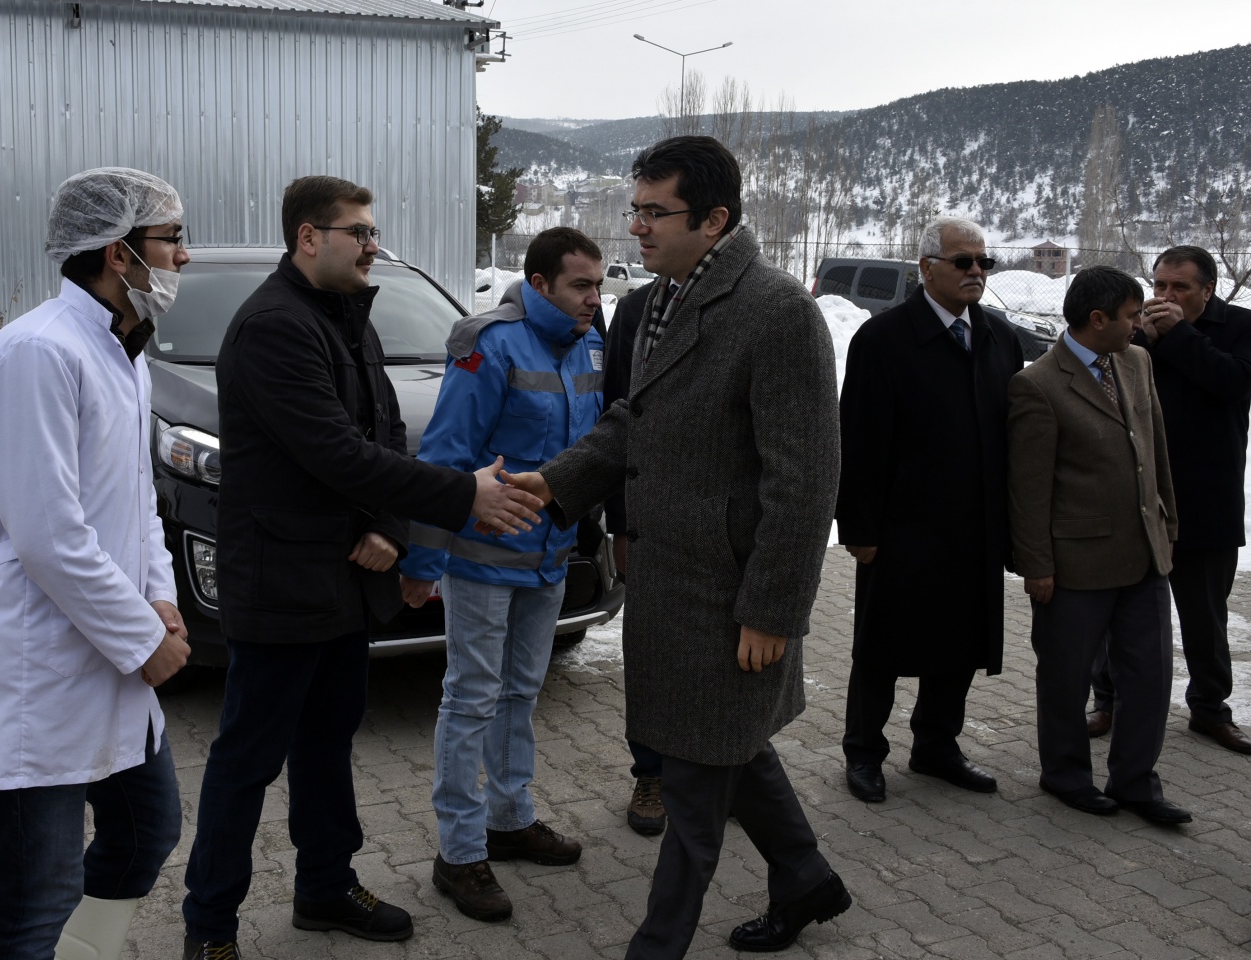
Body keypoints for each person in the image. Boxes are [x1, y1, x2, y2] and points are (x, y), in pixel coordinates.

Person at [180, 176, 545, 960]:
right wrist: (460, 497)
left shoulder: (347, 317)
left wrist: (389, 528)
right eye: (360, 231)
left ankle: (324, 887)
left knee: (327, 744)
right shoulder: (275, 328)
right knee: (249, 761)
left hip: (341, 581)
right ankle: (209, 926)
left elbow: (380, 434)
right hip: (281, 585)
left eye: (373, 230)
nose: (373, 243)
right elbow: (331, 452)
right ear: (309, 237)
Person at [502, 136, 849, 959]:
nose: (637, 229)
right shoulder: (658, 299)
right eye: (637, 209)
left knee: (693, 788)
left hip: (731, 599)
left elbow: (804, 483)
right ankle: (806, 879)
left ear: (716, 220)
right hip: (669, 582)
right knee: (729, 748)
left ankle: (655, 947)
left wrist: (773, 609)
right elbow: (634, 420)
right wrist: (554, 483)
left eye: (656, 212)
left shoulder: (777, 312)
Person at [0, 167, 194, 960]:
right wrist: (142, 637)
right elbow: (48, 534)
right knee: (35, 896)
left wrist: (160, 601)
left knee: (146, 833)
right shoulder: (35, 353)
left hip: (110, 650)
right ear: (118, 252)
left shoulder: (124, 353)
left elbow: (134, 503)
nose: (184, 256)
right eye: (171, 238)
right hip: (43, 667)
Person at [399, 227, 606, 922]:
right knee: (471, 698)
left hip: (548, 562)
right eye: (581, 285)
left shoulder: (592, 344)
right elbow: (444, 456)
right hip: (482, 562)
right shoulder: (487, 343)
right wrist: (423, 562)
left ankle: (510, 819)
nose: (594, 298)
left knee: (522, 690)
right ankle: (458, 853)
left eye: (600, 285)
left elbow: (590, 453)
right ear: (540, 283)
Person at [835, 216, 1022, 803]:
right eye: (963, 262)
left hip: (975, 527)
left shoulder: (999, 337)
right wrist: (859, 528)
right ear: (927, 268)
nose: (976, 273)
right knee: (882, 646)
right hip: (902, 530)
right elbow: (859, 439)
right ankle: (864, 752)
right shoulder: (884, 339)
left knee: (960, 643)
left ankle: (936, 745)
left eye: (983, 263)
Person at [1008, 265, 1191, 827]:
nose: (1140, 324)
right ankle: (1066, 775)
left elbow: (1154, 449)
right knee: (1064, 678)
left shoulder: (1136, 362)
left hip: (1143, 555)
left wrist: (1169, 526)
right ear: (1097, 319)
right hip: (1075, 565)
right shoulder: (1038, 384)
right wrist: (1036, 566)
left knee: (1150, 675)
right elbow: (1029, 489)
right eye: (1132, 316)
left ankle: (1136, 782)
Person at [1087, 246, 1251, 754]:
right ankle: (1107, 700)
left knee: (1205, 613)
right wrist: (1148, 339)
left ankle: (1208, 708)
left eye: (1178, 287)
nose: (1164, 296)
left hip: (1207, 497)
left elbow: (1234, 383)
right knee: (1118, 606)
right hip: (1139, 496)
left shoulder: (1240, 327)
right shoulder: (1135, 331)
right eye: (1158, 285)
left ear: (1207, 289)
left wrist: (1179, 335)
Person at [602, 279, 668, 836]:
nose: (639, 228)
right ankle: (651, 774)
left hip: (726, 527)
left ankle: (736, 775)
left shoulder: (764, 304)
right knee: (649, 652)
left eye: (654, 213)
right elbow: (618, 416)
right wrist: (619, 524)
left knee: (730, 661)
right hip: (649, 520)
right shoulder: (636, 309)